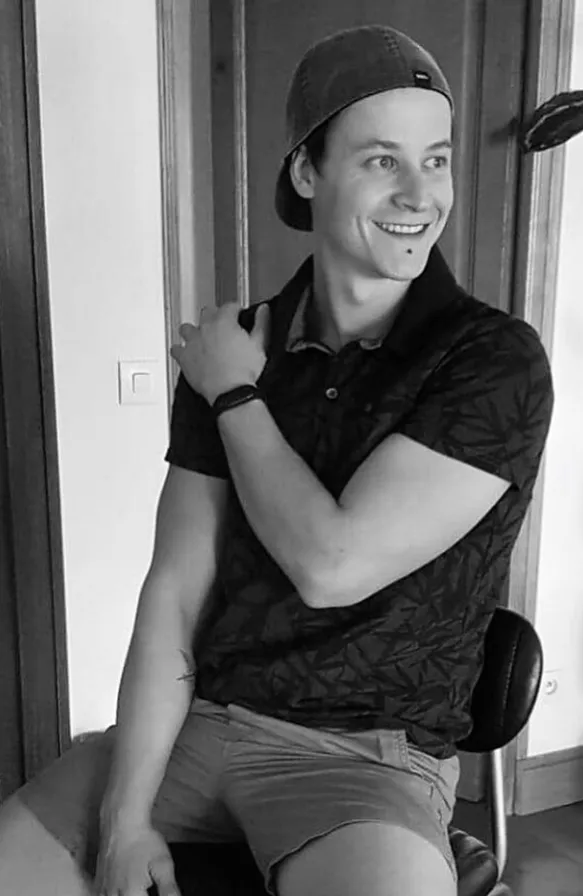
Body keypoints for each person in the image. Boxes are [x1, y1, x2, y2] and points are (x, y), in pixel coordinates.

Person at [0, 24, 553, 896]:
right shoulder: (241, 343)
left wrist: (234, 396)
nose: (421, 193)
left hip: (367, 762)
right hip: (199, 727)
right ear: (307, 171)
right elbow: (174, 591)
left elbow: (333, 565)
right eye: (382, 160)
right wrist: (126, 820)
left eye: (437, 160)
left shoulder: (490, 359)